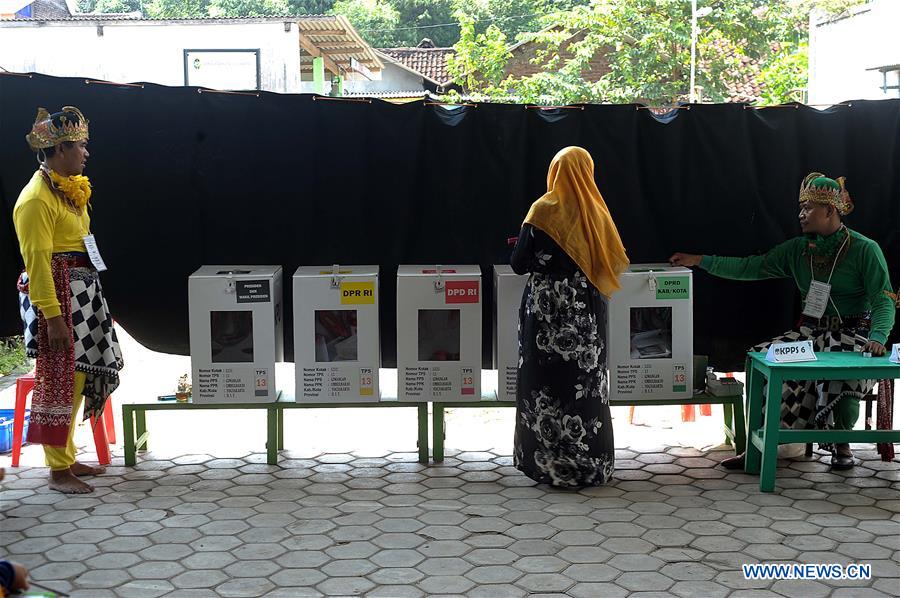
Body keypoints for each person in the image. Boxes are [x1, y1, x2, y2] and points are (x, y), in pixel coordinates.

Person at [670, 172, 895, 470]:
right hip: (809, 335)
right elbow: (752, 267)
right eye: (800, 208)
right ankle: (759, 444)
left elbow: (883, 298)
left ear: (830, 211)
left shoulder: (864, 249)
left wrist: (878, 336)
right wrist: (701, 260)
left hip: (854, 335)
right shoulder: (798, 249)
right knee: (762, 358)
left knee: (846, 372)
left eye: (808, 208)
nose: (801, 214)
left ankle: (842, 444)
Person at [13, 106, 124, 494]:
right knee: (60, 378)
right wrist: (54, 317)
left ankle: (67, 456)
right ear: (59, 149)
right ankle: (57, 470)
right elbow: (38, 263)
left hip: (80, 292)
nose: (85, 153)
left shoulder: (69, 189)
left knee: (77, 376)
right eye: (79, 146)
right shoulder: (35, 200)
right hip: (56, 297)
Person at [510, 146, 630, 487]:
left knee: (543, 385)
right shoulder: (597, 213)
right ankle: (592, 466)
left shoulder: (542, 210)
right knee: (586, 385)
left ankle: (547, 468)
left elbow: (518, 263)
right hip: (585, 315)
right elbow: (613, 262)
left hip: (545, 314)